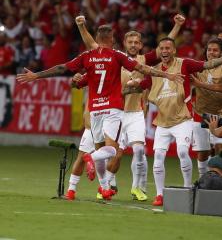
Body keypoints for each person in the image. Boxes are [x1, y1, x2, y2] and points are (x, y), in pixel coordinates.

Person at [16, 24, 184, 200]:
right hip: (112, 109)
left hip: (94, 110)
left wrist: (36, 76)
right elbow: (143, 69)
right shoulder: (117, 55)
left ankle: (104, 188)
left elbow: (62, 68)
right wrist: (167, 75)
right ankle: (91, 158)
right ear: (112, 39)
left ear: (97, 40)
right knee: (111, 150)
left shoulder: (87, 56)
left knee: (102, 154)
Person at [75, 14, 186, 201]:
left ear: (141, 45)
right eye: (130, 42)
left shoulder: (144, 59)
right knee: (115, 154)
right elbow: (92, 45)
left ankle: (137, 188)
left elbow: (165, 47)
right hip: (116, 113)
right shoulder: (114, 58)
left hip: (135, 113)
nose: (133, 45)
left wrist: (177, 25)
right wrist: (82, 27)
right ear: (124, 43)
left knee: (139, 150)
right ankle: (107, 185)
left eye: (137, 42)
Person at [125, 37, 222, 206]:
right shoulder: (155, 71)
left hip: (182, 119)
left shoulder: (184, 64)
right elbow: (142, 85)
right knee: (159, 157)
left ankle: (186, 189)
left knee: (183, 152)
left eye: (168, 48)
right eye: (161, 48)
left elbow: (206, 65)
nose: (164, 51)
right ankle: (160, 194)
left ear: (174, 50)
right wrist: (132, 84)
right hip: (162, 121)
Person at [192, 38, 222, 177]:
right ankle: (203, 180)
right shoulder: (199, 67)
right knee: (203, 152)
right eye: (209, 50)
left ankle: (221, 178)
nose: (211, 53)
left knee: (220, 148)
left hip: (220, 115)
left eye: (215, 50)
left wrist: (200, 84)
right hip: (200, 114)